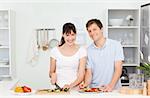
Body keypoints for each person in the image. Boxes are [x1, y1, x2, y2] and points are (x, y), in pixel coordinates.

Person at [80, 19, 124, 92]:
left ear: (101, 29)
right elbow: (89, 72)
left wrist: (110, 86)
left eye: (94, 29)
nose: (92, 33)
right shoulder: (88, 50)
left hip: (113, 90)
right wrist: (86, 84)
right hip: (95, 89)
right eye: (89, 31)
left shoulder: (116, 45)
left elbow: (118, 69)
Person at [49, 22, 87, 90]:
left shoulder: (82, 50)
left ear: (76, 35)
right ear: (63, 35)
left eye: (72, 35)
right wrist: (52, 75)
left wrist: (70, 86)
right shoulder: (55, 51)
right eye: (67, 35)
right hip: (57, 88)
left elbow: (81, 75)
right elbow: (51, 72)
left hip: (74, 89)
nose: (70, 38)